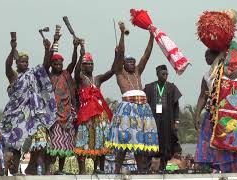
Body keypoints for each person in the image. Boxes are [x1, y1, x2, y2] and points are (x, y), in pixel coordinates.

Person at [106, 22, 158, 173]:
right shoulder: (119, 71)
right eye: (129, 61)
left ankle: (142, 172)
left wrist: (151, 36)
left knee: (139, 143)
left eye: (134, 62)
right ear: (123, 63)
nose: (132, 63)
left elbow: (146, 55)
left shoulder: (137, 72)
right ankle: (116, 171)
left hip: (142, 109)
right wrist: (122, 33)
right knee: (124, 142)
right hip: (128, 109)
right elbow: (121, 52)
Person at [0, 36, 56, 175]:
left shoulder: (33, 74)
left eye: (26, 62)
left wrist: (47, 49)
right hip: (18, 115)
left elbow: (45, 65)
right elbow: (7, 66)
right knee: (17, 145)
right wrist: (12, 49)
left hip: (34, 114)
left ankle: (39, 170)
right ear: (17, 63)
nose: (24, 64)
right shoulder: (13, 76)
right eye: (21, 62)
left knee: (41, 143)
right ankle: (15, 171)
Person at [194, 49, 237, 173]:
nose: (206, 57)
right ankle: (210, 170)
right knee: (210, 145)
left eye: (208, 55)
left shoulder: (231, 70)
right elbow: (202, 97)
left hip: (233, 117)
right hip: (213, 115)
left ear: (216, 55)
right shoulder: (207, 75)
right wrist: (197, 115)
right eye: (205, 55)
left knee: (233, 147)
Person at [74, 42, 115, 174]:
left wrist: (117, 54)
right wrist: (81, 54)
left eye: (91, 64)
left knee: (100, 142)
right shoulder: (80, 78)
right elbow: (75, 71)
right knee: (83, 141)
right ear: (82, 66)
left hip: (100, 116)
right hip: (86, 115)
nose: (90, 66)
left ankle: (100, 169)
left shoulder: (97, 79)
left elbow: (112, 71)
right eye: (87, 64)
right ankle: (82, 171)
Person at [144, 64, 182, 170]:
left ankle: (163, 167)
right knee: (151, 142)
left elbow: (176, 107)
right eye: (163, 74)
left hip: (167, 121)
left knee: (166, 143)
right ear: (157, 74)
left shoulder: (171, 87)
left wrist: (176, 121)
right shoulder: (149, 87)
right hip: (152, 121)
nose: (165, 75)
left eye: (166, 74)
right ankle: (146, 168)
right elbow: (144, 104)